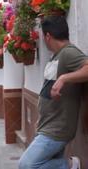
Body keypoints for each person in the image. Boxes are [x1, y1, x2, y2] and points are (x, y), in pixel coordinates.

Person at [19, 16, 88, 169]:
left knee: (26, 165)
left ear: (48, 36)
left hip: (57, 129)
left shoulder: (69, 53)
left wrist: (64, 77)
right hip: (48, 125)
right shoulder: (57, 56)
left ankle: (71, 164)